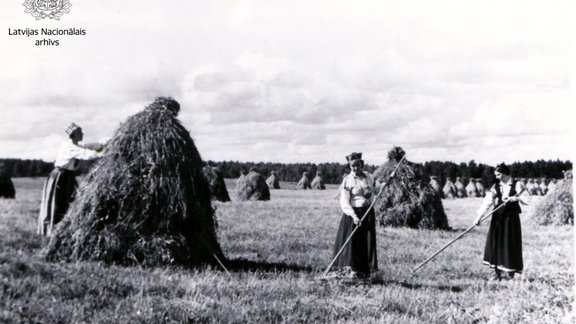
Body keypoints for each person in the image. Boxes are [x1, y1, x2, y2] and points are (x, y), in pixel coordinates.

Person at [37, 123, 106, 236]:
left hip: (68, 177)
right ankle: (53, 231)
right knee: (57, 203)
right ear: (73, 134)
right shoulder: (69, 147)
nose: (82, 134)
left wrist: (105, 143)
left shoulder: (76, 145)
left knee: (72, 202)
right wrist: (105, 153)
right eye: (80, 132)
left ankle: (64, 229)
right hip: (60, 177)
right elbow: (88, 155)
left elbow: (91, 146)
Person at [473, 163, 527, 280]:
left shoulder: (517, 184)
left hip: (511, 220)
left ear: (504, 173)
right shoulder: (496, 186)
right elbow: (487, 201)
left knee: (510, 245)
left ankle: (510, 274)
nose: (496, 177)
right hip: (497, 219)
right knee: (496, 244)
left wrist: (515, 198)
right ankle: (497, 274)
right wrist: (479, 217)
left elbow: (526, 200)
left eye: (498, 174)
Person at [331, 152, 379, 279]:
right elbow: (344, 201)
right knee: (352, 242)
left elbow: (376, 190)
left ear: (361, 164)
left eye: (357, 165)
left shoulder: (368, 176)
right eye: (352, 166)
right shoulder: (348, 180)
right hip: (353, 214)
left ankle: (365, 271)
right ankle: (350, 269)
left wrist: (383, 185)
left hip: (367, 212)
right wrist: (354, 216)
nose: (355, 168)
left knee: (366, 241)